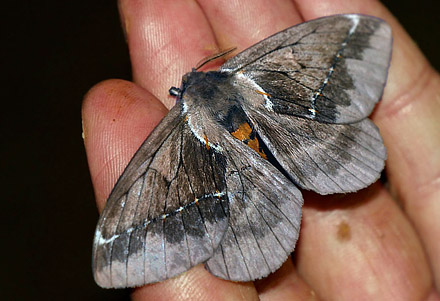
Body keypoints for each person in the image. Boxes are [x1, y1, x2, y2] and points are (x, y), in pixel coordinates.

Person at [82, 0, 440, 299]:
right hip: (299, 140)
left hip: (267, 164)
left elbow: (366, 39)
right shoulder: (253, 69)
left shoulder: (174, 132)